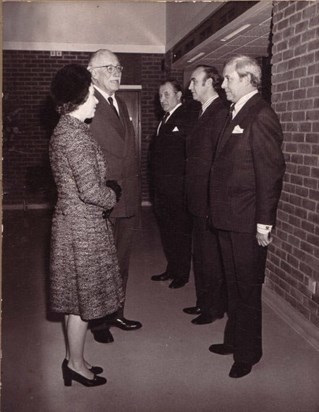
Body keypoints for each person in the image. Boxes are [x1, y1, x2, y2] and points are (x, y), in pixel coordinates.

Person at [209, 55, 285, 378]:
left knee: (247, 287)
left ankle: (248, 352)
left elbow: (270, 174)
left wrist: (264, 224)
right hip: (228, 217)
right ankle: (234, 339)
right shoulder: (236, 111)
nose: (222, 84)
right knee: (233, 283)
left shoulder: (261, 115)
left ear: (247, 79)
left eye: (227, 78)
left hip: (247, 221)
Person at [49, 64, 124, 387]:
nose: (96, 101)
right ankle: (76, 366)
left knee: (73, 300)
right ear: (80, 98)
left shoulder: (69, 129)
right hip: (82, 229)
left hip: (73, 224)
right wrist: (113, 194)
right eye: (92, 95)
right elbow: (91, 191)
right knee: (81, 303)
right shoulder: (74, 136)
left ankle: (73, 359)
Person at [87, 49, 142, 343]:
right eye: (109, 67)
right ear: (92, 72)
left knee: (121, 260)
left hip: (127, 197)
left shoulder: (119, 102)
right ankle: (98, 323)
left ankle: (116, 312)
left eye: (118, 67)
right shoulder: (86, 104)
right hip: (104, 199)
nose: (117, 72)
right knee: (101, 263)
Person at [183, 65, 228, 325]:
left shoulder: (220, 113)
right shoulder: (202, 112)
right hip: (198, 199)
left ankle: (214, 308)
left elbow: (219, 163)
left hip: (209, 200)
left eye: (194, 82)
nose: (190, 87)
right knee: (201, 253)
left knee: (211, 256)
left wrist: (213, 201)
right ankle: (204, 302)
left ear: (210, 83)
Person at [150, 80, 198, 289]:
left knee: (180, 233)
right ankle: (172, 268)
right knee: (168, 232)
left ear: (179, 95)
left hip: (178, 191)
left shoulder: (187, 117)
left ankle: (182, 273)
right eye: (160, 96)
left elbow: (191, 154)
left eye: (167, 94)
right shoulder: (165, 119)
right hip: (162, 190)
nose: (163, 100)